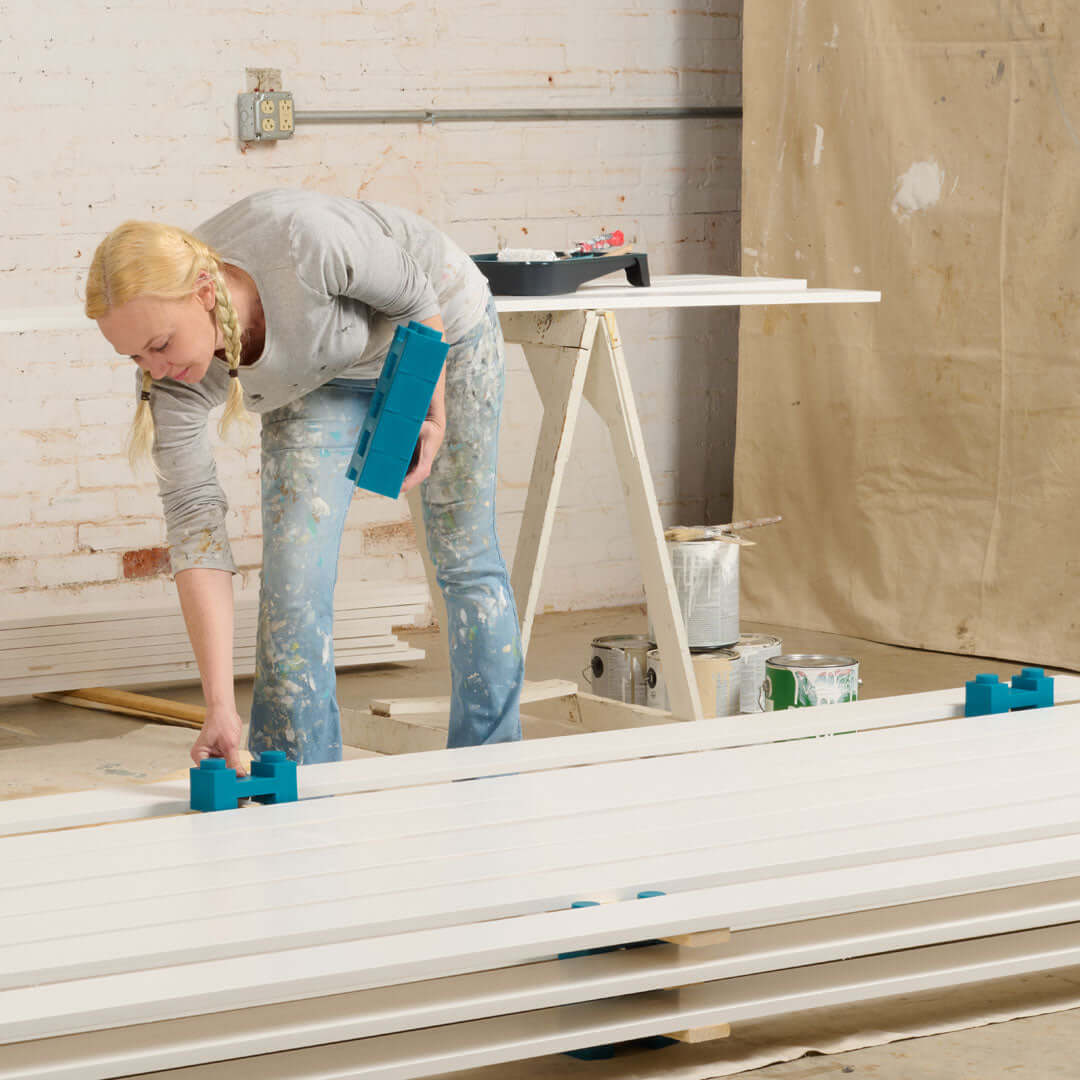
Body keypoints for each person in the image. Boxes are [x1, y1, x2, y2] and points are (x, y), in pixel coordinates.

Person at [85, 188, 524, 770]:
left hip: (437, 321)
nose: (157, 370)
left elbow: (417, 296)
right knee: (294, 583)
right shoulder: (171, 383)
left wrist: (429, 406)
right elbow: (197, 532)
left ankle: (489, 766)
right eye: (136, 358)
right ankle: (295, 778)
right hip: (321, 364)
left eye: (161, 344)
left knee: (462, 552)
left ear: (205, 293)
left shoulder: (305, 243)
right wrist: (217, 707)